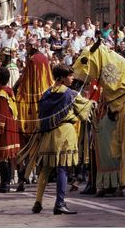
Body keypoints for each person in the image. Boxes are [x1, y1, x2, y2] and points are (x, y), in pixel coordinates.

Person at [20, 65, 95, 215]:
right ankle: (59, 203)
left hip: (47, 136)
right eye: (69, 75)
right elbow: (86, 110)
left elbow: (41, 116)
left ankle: (38, 202)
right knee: (63, 168)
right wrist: (94, 103)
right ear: (61, 78)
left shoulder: (46, 94)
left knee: (45, 169)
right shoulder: (70, 94)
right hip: (64, 135)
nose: (72, 78)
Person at [0, 67, 20, 193]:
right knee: (6, 157)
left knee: (3, 157)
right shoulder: (10, 91)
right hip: (11, 125)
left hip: (3, 128)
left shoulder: (1, 93)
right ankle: (5, 183)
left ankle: (4, 184)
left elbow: (0, 114)